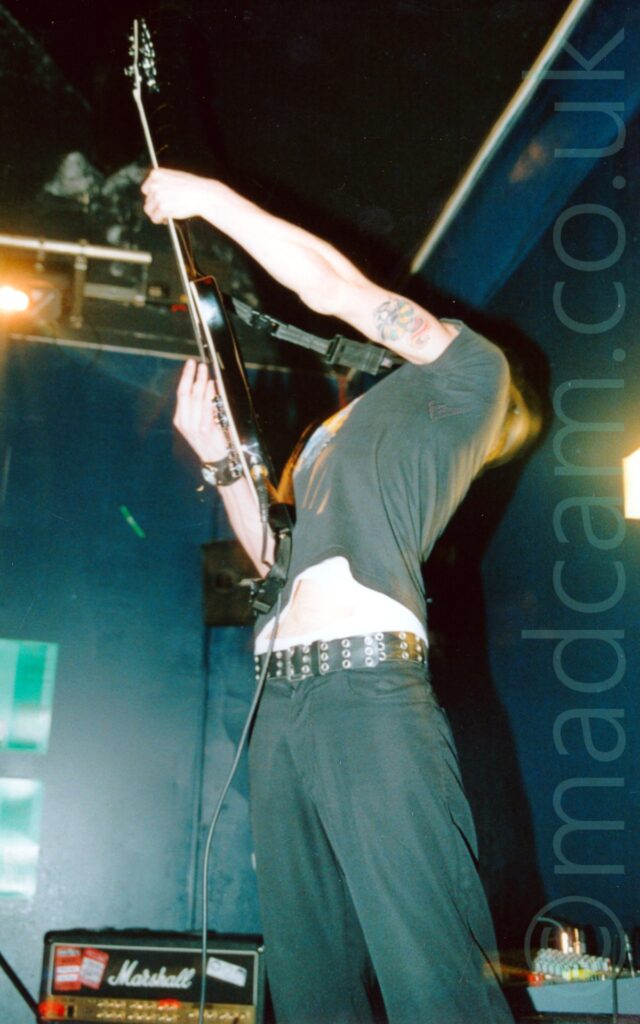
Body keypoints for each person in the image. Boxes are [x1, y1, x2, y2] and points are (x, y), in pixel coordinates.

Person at [143, 168, 525, 1024]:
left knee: (432, 971)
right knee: (309, 979)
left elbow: (333, 288)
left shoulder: (471, 372)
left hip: (366, 691)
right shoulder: (331, 439)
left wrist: (213, 202)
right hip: (283, 700)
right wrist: (218, 462)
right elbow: (274, 561)